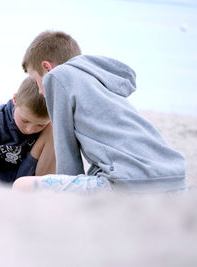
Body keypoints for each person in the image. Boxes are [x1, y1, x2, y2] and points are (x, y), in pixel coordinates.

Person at [13, 30, 186, 194]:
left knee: (22, 186)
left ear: (47, 68)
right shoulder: (98, 81)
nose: (40, 92)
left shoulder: (57, 77)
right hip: (174, 180)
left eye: (36, 82)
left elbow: (67, 154)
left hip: (128, 184)